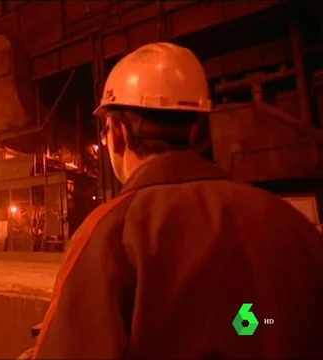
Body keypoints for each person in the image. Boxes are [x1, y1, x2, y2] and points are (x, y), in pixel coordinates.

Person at [32, 42, 323, 359]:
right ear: (196, 129)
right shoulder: (293, 224)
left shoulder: (111, 235)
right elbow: (259, 322)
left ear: (118, 133)